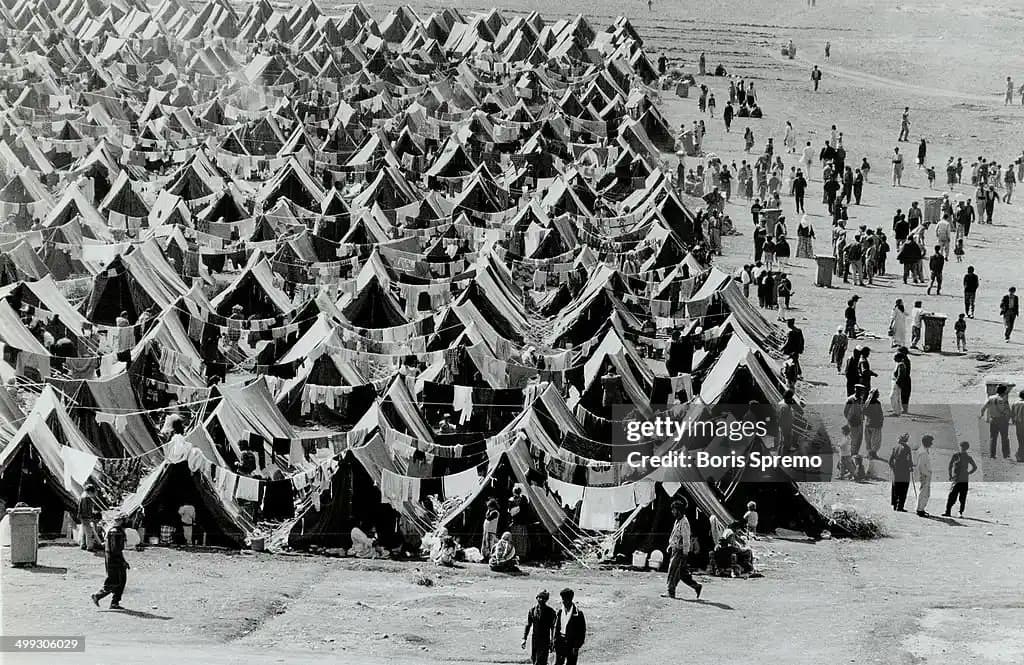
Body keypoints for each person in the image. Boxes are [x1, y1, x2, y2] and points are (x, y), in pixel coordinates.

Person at [664, 499, 703, 599]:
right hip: (675, 549)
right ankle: (696, 586)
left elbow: (686, 539)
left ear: (679, 510)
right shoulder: (678, 521)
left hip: (680, 551)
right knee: (682, 574)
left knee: (672, 571)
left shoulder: (684, 522)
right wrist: (670, 546)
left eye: (674, 510)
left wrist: (685, 553)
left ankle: (670, 592)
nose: (672, 512)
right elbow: (674, 536)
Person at [91, 514, 130, 610]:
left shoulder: (115, 531)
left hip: (113, 558)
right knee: (115, 581)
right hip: (114, 559)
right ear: (121, 521)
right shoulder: (116, 532)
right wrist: (122, 561)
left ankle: (115, 602)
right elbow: (115, 550)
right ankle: (98, 595)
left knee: (120, 581)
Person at [943, 441, 977, 517]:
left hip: (958, 479)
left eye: (963, 447)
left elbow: (950, 465)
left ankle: (950, 512)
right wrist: (968, 473)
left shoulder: (958, 455)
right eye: (962, 447)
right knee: (960, 496)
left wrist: (950, 475)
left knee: (955, 496)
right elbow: (975, 467)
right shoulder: (966, 457)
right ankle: (954, 512)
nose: (962, 448)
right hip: (961, 479)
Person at [522, 590, 557, 665]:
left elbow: (553, 627)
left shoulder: (551, 612)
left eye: (543, 598)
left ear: (546, 599)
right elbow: (528, 625)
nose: (541, 599)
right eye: (540, 597)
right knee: (534, 659)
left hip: (545, 639)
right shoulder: (532, 611)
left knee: (542, 660)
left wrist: (553, 640)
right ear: (536, 598)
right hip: (535, 639)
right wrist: (524, 638)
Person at [553, 589, 586, 665]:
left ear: (570, 600)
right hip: (560, 641)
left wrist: (577, 646)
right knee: (558, 662)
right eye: (563, 599)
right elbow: (557, 627)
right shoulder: (560, 612)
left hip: (572, 643)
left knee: (571, 662)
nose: (564, 602)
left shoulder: (578, 614)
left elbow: (581, 632)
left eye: (566, 599)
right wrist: (555, 641)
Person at [980, 385, 1012, 459]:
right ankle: (1006, 455)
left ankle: (992, 454)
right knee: (1004, 438)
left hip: (993, 420)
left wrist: (982, 415)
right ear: (1003, 392)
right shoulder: (1004, 399)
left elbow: (983, 408)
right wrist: (1008, 419)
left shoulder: (990, 398)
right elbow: (1008, 411)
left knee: (993, 438)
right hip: (1002, 420)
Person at [889, 433, 914, 511]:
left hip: (896, 471)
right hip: (904, 471)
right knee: (903, 488)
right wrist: (911, 467)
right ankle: (900, 506)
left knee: (895, 488)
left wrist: (893, 468)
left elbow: (890, 460)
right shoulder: (907, 448)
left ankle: (894, 505)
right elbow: (909, 460)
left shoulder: (895, 447)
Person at [78, 483, 102, 552]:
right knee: (89, 532)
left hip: (83, 516)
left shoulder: (83, 495)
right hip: (86, 517)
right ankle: (90, 547)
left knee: (84, 531)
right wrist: (90, 516)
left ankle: (83, 545)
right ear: (90, 491)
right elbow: (86, 509)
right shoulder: (86, 498)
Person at [916, 435, 934, 516]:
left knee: (925, 492)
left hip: (925, 474)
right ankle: (920, 510)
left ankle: (921, 509)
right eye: (930, 442)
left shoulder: (924, 450)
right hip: (925, 475)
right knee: (924, 493)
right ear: (926, 442)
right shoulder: (923, 452)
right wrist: (927, 474)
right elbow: (921, 466)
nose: (931, 444)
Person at [864, 389, 884, 459]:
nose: (878, 394)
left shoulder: (868, 402)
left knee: (869, 440)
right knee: (875, 440)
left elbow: (864, 411)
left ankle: (870, 454)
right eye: (877, 393)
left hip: (869, 424)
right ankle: (872, 454)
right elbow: (880, 413)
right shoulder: (876, 403)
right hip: (875, 425)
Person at [1011, 390, 1024, 462]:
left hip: (1018, 425)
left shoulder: (1015, 403)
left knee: (1020, 440)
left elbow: (1012, 414)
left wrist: (1013, 421)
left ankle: (1020, 455)